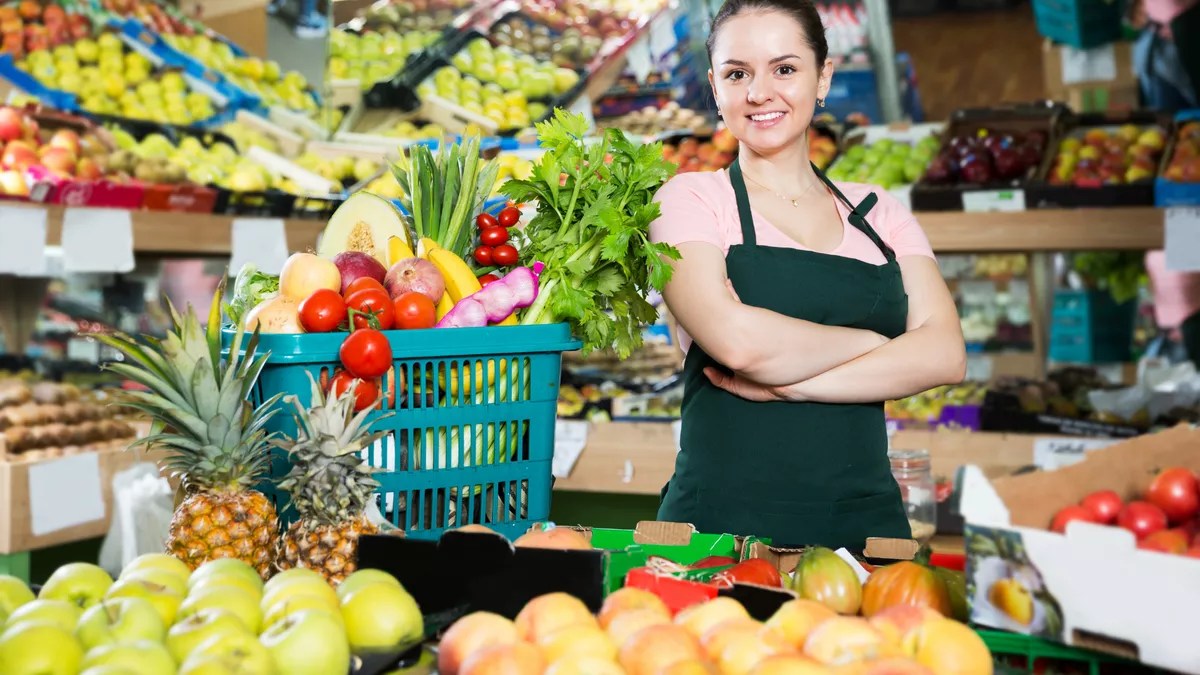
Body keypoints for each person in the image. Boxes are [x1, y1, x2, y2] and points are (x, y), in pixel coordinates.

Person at [649, 0, 966, 549]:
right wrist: (874, 344)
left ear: (824, 78)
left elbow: (944, 355)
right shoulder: (691, 199)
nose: (759, 92)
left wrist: (791, 386)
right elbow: (737, 344)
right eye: (737, 73)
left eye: (785, 68)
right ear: (715, 88)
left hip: (865, 534)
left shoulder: (879, 213)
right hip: (716, 534)